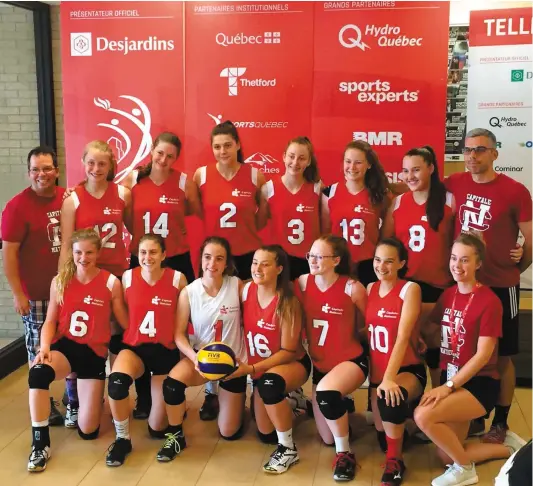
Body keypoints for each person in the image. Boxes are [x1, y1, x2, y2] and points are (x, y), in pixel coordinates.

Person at [414, 233, 527, 486]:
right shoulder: (449, 295)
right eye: (454, 258)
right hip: (451, 378)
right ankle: (509, 451)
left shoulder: (489, 301)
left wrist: (447, 387)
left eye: (465, 260)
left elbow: (484, 355)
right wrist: (422, 338)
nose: (457, 265)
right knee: (445, 453)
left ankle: (465, 470)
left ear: (478, 264)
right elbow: (433, 328)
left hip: (478, 385)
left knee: (423, 416)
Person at [444, 128, 532, 442]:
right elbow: (417, 185)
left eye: (480, 150)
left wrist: (511, 270)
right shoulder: (455, 182)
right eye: (467, 150)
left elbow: (531, 243)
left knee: (503, 356)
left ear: (495, 153)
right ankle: (474, 417)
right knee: (466, 353)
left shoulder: (515, 190)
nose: (472, 156)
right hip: (466, 287)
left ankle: (501, 422)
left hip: (500, 287)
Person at [26, 228, 128, 472]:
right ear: (72, 253)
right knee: (38, 373)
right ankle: (40, 445)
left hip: (93, 355)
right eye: (79, 252)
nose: (84, 257)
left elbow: (124, 322)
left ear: (98, 252)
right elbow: (50, 320)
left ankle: (88, 400)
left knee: (88, 432)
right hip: (66, 348)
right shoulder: (60, 280)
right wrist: (45, 346)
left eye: (89, 252)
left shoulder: (111, 282)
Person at [121, 132, 200, 419]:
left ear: (176, 158)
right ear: (152, 150)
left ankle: (174, 388)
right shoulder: (133, 180)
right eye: (160, 153)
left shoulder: (183, 182)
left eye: (170, 156)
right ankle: (143, 396)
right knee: (139, 326)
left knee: (178, 324)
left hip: (176, 257)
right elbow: (123, 212)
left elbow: (191, 211)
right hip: (142, 258)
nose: (164, 160)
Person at [193, 121, 267, 420]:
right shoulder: (201, 175)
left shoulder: (255, 175)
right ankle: (212, 389)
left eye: (227, 144)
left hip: (248, 255)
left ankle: (252, 382)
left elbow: (261, 217)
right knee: (215, 322)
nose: (222, 151)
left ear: (237, 144)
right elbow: (200, 211)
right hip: (217, 257)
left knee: (248, 322)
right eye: (217, 146)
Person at [59, 140, 132, 428]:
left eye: (102, 163)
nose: (96, 168)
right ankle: (74, 400)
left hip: (115, 275)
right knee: (79, 336)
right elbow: (67, 245)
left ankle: (116, 392)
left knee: (115, 334)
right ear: (83, 163)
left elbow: (135, 231)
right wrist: (63, 281)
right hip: (84, 276)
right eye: (91, 163)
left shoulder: (123, 193)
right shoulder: (72, 199)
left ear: (111, 165)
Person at [155, 236, 247, 462]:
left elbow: (251, 323)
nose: (212, 264)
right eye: (207, 257)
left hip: (232, 363)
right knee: (171, 385)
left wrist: (248, 364)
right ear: (200, 260)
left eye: (219, 259)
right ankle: (176, 436)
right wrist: (194, 357)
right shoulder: (189, 291)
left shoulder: (237, 285)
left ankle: (239, 403)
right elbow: (178, 334)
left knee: (228, 432)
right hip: (202, 359)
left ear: (226, 263)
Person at [226, 245, 311, 473]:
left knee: (269, 386)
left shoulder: (287, 302)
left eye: (265, 264)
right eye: (255, 262)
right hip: (258, 370)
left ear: (279, 269)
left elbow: (288, 351)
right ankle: (293, 402)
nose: (258, 268)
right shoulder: (244, 291)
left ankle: (288, 448)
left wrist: (251, 368)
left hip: (289, 365)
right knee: (265, 433)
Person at [105, 234, 187, 467]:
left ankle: (176, 430)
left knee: (156, 428)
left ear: (163, 255)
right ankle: (122, 439)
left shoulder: (177, 279)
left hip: (165, 351)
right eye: (142, 252)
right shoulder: (127, 277)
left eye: (153, 252)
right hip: (135, 349)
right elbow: (120, 313)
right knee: (117, 383)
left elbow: (185, 317)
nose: (147, 257)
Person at [1, 146, 65, 426]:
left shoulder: (68, 199)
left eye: (47, 168)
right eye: (36, 169)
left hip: (69, 291)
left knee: (70, 345)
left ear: (57, 171)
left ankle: (73, 399)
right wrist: (18, 293)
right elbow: (9, 254)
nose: (42, 174)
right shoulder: (16, 206)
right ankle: (44, 402)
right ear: (29, 173)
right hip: (37, 295)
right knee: (39, 348)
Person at [296, 235, 367, 481]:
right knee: (326, 437)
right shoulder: (304, 283)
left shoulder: (352, 288)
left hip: (351, 361)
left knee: (326, 398)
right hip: (321, 366)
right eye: (310, 255)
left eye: (319, 256)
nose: (312, 260)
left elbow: (374, 323)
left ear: (336, 260)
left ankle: (345, 454)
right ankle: (344, 408)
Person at [382, 146, 454, 388]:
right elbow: (388, 244)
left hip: (438, 287)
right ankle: (410, 399)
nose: (409, 176)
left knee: (434, 346)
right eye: (405, 171)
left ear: (431, 169)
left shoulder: (449, 201)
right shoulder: (399, 203)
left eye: (416, 170)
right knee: (408, 344)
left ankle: (437, 396)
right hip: (407, 286)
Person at [366, 238, 425, 486]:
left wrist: (389, 378)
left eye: (389, 261)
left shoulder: (409, 289)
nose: (382, 266)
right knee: (382, 435)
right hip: (378, 375)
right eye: (378, 260)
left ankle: (395, 462)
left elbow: (401, 337)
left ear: (401, 263)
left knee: (390, 400)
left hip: (406, 370)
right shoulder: (369, 288)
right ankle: (409, 421)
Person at [322, 140, 390, 287]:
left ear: (369, 165)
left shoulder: (379, 195)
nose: (352, 167)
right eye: (348, 161)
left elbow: (386, 233)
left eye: (358, 162)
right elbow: (324, 230)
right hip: (337, 262)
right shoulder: (330, 193)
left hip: (367, 263)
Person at [262, 137, 323, 280]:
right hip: (279, 262)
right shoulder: (268, 189)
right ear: (284, 157)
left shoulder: (317, 189)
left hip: (308, 260)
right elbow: (259, 224)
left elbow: (325, 227)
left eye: (302, 158)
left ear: (308, 161)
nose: (295, 162)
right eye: (291, 156)